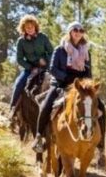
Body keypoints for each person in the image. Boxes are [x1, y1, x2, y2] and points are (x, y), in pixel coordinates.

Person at [32, 22, 91, 153]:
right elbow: (52, 68)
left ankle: (100, 143)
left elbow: (89, 73)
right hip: (60, 83)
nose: (78, 32)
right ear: (70, 32)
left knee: (99, 107)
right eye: (75, 29)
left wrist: (85, 84)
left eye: (81, 30)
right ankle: (39, 137)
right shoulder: (60, 49)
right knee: (46, 105)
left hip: (79, 86)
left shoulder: (86, 51)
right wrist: (65, 78)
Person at [9, 15, 53, 117]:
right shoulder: (21, 41)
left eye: (31, 27)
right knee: (18, 84)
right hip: (29, 69)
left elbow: (51, 52)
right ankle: (12, 109)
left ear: (35, 27)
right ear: (23, 28)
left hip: (45, 68)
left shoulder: (43, 37)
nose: (29, 29)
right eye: (27, 27)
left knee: (57, 84)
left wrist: (46, 60)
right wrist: (30, 67)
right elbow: (19, 59)